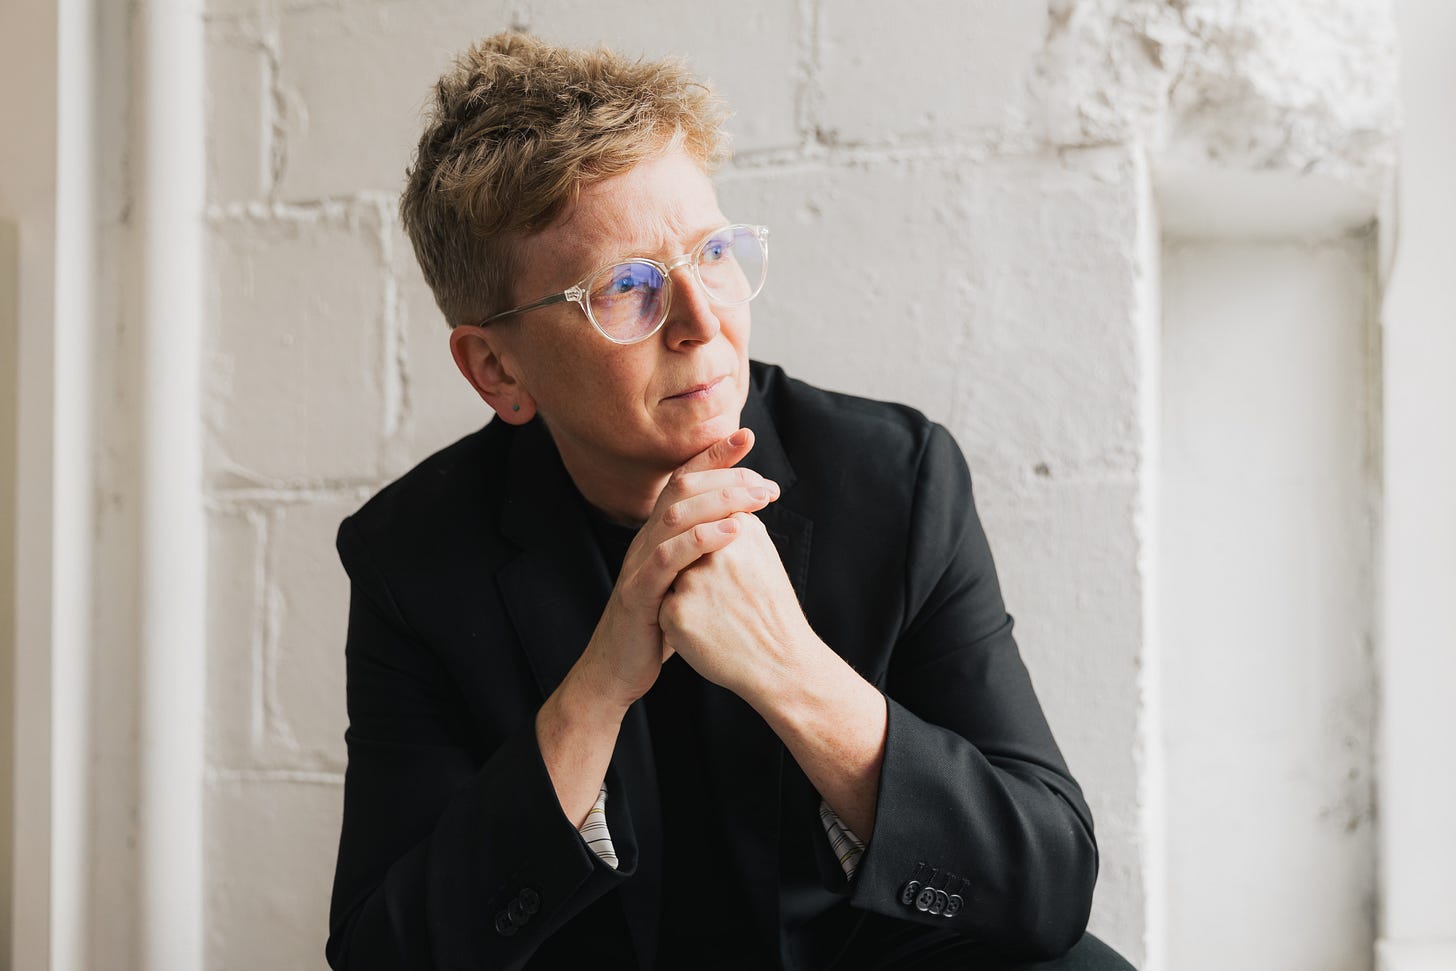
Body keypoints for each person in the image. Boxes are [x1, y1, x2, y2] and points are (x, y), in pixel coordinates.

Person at [325, 30, 1136, 971]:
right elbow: (388, 955)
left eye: (712, 252)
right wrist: (597, 688)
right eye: (625, 286)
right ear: (498, 368)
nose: (704, 320)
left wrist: (791, 669)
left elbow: (1047, 881)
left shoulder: (894, 479)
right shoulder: (413, 557)